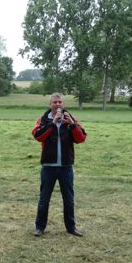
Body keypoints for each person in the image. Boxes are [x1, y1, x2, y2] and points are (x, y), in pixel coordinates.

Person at [31, 93, 87, 237]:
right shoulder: (43, 120)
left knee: (68, 199)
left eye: (60, 102)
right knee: (44, 199)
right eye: (54, 102)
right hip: (48, 167)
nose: (57, 104)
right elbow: (38, 136)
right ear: (50, 105)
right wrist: (53, 123)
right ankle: (40, 227)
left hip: (66, 167)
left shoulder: (70, 119)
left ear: (63, 104)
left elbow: (81, 138)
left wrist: (73, 125)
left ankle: (71, 227)